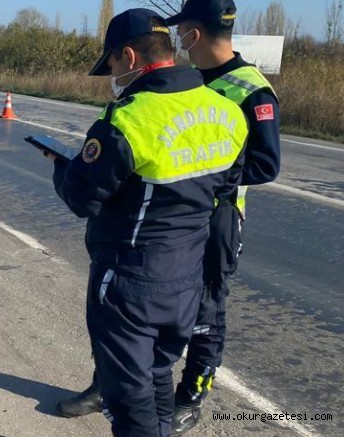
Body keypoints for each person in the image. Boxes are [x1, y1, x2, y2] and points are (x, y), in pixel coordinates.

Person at [57, 2, 283, 435]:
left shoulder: (135, 116)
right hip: (184, 258)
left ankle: (192, 394)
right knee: (158, 369)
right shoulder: (218, 105)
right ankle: (124, 393)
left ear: (128, 57)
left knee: (136, 397)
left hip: (149, 264)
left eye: (111, 66)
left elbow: (83, 197)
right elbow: (223, 172)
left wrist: (64, 170)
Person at [167, 1, 281, 433]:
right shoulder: (185, 81)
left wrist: (206, 179)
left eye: (182, 34)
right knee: (146, 299)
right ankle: (116, 382)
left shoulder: (251, 90)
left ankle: (192, 394)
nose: (178, 42)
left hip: (217, 219)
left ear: (194, 35)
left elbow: (266, 164)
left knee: (206, 308)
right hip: (170, 215)